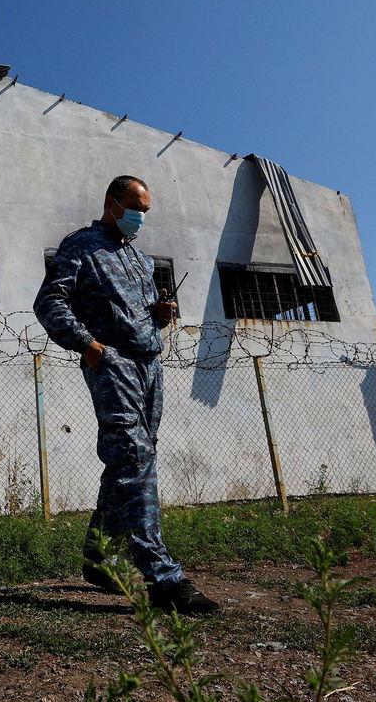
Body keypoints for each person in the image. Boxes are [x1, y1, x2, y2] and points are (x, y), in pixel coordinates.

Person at [33, 175, 220, 615]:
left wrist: (158, 314)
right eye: (136, 206)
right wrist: (89, 346)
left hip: (150, 364)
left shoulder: (138, 258)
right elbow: (50, 301)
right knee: (133, 457)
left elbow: (137, 313)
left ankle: (99, 558)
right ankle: (164, 577)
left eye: (146, 210)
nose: (141, 216)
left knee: (132, 460)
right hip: (113, 363)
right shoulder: (81, 245)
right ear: (112, 203)